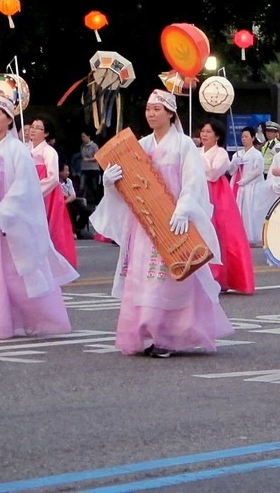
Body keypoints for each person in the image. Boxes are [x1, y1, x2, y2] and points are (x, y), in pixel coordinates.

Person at [91, 89, 234, 358]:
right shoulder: (140, 146)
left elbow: (193, 182)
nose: (151, 113)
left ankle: (167, 336)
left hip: (173, 221)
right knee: (142, 278)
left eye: (157, 109)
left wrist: (183, 209)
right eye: (148, 109)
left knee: (167, 280)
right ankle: (143, 334)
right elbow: (128, 186)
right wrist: (109, 183)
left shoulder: (184, 145)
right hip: (145, 224)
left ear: (170, 113)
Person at [0, 97, 75, 340]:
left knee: (15, 268)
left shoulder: (17, 150)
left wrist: (7, 208)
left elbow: (25, 185)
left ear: (9, 119)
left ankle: (38, 316)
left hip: (8, 216)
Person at [198, 118, 255, 294]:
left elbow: (214, 173)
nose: (204, 135)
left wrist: (198, 160)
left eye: (208, 132)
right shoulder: (196, 151)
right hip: (199, 191)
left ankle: (220, 276)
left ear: (217, 136)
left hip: (217, 195)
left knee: (221, 233)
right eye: (203, 131)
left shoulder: (221, 153)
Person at [27, 115, 77, 269]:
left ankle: (54, 264)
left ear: (46, 133)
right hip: (27, 193)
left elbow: (53, 177)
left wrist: (35, 191)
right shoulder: (24, 149)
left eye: (38, 128)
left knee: (50, 228)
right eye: (32, 126)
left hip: (46, 195)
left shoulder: (49, 152)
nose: (33, 130)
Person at [227, 126, 267, 247]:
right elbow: (230, 171)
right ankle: (238, 234)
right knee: (238, 210)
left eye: (246, 137)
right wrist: (235, 162)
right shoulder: (237, 154)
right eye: (242, 137)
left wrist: (246, 179)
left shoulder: (257, 154)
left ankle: (251, 235)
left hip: (252, 187)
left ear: (253, 138)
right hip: (238, 186)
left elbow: (259, 170)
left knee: (250, 210)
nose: (244, 139)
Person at [59, 163, 93, 239]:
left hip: (69, 199)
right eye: (66, 171)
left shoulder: (69, 181)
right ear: (60, 172)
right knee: (72, 210)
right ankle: (72, 231)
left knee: (86, 211)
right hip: (59, 201)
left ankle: (78, 228)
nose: (68, 173)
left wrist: (66, 201)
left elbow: (73, 195)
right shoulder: (55, 181)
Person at [79, 129, 101, 205]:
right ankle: (81, 202)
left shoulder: (94, 146)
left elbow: (97, 157)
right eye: (82, 137)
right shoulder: (82, 146)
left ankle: (97, 202)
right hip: (84, 168)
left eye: (84, 137)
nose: (82, 138)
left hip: (93, 168)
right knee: (82, 186)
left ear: (88, 136)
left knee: (95, 187)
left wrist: (88, 159)